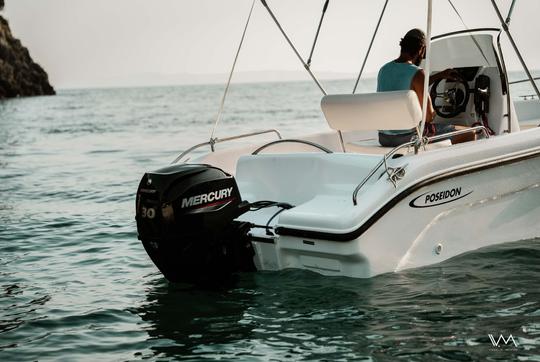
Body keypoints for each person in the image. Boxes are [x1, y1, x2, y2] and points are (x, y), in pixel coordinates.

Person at [377, 28, 473, 147]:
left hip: (384, 138)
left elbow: (406, 85)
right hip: (410, 138)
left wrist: (441, 75)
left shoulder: (384, 70)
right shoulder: (417, 73)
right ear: (421, 49)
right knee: (470, 133)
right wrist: (433, 111)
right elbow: (428, 117)